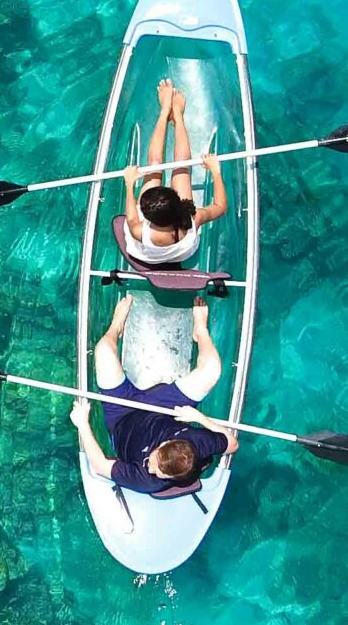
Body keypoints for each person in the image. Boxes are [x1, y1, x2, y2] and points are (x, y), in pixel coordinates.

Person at [70, 294, 240, 495]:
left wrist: (83, 424)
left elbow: (99, 465)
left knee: (103, 350)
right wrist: (199, 418)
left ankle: (115, 326)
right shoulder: (197, 443)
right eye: (155, 460)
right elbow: (232, 444)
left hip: (122, 416)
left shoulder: (146, 480)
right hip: (164, 409)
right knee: (212, 370)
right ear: (168, 443)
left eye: (158, 472)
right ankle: (199, 331)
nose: (151, 468)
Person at [119, 79, 228, 266]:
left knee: (154, 166)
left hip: (146, 253)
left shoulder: (139, 230)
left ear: (147, 217)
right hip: (181, 252)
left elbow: (130, 216)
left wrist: (130, 186)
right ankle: (177, 114)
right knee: (182, 167)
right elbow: (220, 207)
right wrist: (216, 172)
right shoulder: (192, 219)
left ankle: (164, 111)